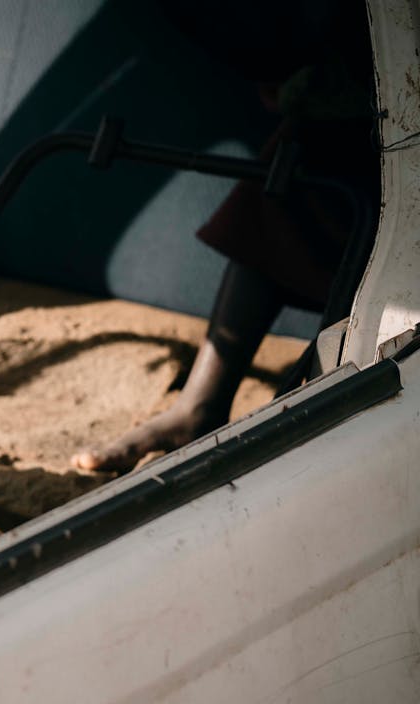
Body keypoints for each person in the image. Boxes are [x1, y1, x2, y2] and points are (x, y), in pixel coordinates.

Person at [72, 0, 378, 474]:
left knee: (376, 254)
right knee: (281, 189)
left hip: (386, 119)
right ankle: (200, 405)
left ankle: (331, 404)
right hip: (334, 100)